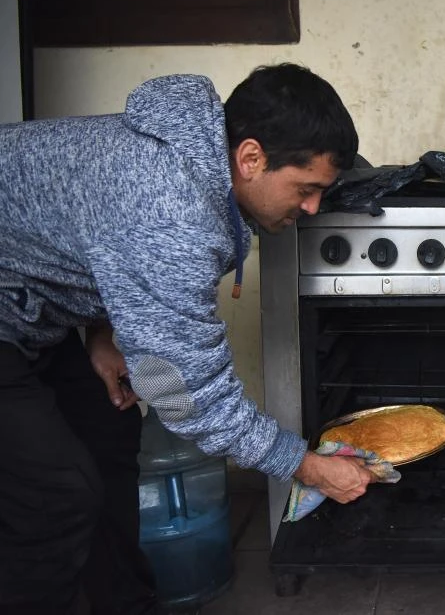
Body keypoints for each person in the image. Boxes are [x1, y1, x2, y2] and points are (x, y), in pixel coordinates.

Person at [0, 63, 377, 614]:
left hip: (29, 305)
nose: (313, 208)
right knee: (55, 496)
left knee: (107, 434)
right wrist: (308, 466)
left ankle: (125, 604)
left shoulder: (189, 160)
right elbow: (190, 395)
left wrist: (105, 330)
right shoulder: (172, 209)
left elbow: (101, 233)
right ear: (250, 158)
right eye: (307, 189)